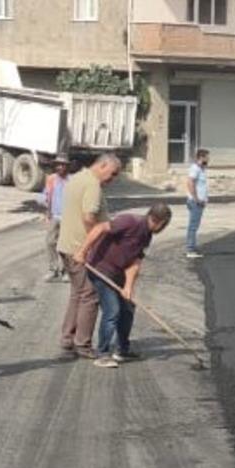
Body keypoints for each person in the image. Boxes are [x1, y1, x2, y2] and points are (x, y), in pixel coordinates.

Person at [73, 203, 172, 368]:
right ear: (160, 221)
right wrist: (82, 251)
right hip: (100, 268)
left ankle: (122, 350)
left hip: (117, 273)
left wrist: (128, 287)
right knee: (112, 310)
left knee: (127, 308)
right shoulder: (129, 221)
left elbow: (135, 262)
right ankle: (102, 353)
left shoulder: (147, 235)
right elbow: (99, 228)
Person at [57, 153, 121, 358]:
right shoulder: (92, 185)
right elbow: (88, 217)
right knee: (89, 296)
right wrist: (97, 242)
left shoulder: (77, 178)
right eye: (112, 175)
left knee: (78, 293)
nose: (112, 180)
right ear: (102, 165)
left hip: (67, 245)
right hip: (79, 248)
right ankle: (82, 344)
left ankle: (68, 339)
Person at [40, 156, 70, 281]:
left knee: (65, 245)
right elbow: (46, 195)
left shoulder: (72, 180)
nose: (60, 167)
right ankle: (53, 269)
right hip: (54, 216)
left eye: (63, 165)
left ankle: (66, 271)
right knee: (50, 243)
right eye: (58, 164)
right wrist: (44, 204)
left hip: (68, 218)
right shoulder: (51, 179)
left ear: (67, 166)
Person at [184, 148, 209, 259]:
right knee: (193, 226)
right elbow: (190, 183)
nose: (209, 159)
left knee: (195, 225)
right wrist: (196, 199)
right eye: (207, 157)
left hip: (199, 202)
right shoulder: (195, 169)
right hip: (195, 202)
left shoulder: (201, 169)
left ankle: (192, 246)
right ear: (201, 157)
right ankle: (190, 249)